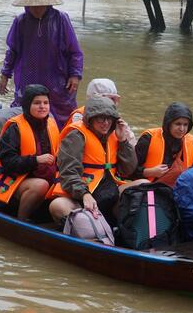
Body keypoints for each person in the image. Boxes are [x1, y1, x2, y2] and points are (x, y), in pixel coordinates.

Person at [0, 0, 83, 129]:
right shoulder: (20, 21)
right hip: (27, 77)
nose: (36, 9)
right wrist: (4, 76)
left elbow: (74, 51)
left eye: (40, 6)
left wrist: (75, 75)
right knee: (26, 110)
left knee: (60, 113)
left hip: (56, 78)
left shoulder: (61, 19)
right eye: (32, 6)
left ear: (48, 4)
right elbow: (12, 51)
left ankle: (58, 143)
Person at [47, 96, 138, 226]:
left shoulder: (116, 134)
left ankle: (122, 228)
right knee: (58, 206)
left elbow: (128, 170)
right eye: (101, 118)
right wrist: (84, 194)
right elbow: (68, 173)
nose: (106, 123)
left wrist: (123, 141)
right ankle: (89, 230)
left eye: (109, 118)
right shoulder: (75, 136)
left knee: (142, 185)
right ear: (90, 118)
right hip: (80, 195)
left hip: (110, 191)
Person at [0, 84, 60, 221]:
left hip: (42, 178)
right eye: (37, 103)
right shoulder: (14, 128)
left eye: (46, 103)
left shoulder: (52, 125)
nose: (42, 106)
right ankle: (21, 220)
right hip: (13, 180)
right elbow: (8, 163)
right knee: (40, 185)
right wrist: (36, 160)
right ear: (27, 105)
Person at [133, 102, 193, 188]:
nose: (182, 129)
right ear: (168, 123)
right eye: (178, 124)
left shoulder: (191, 141)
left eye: (185, 125)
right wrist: (150, 172)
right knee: (150, 201)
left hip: (179, 190)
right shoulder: (148, 138)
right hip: (150, 189)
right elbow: (129, 172)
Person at [67, 78, 137, 147]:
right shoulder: (78, 117)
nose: (111, 103)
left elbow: (133, 146)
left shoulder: (117, 120)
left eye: (113, 100)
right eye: (109, 99)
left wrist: (123, 140)